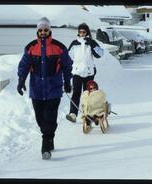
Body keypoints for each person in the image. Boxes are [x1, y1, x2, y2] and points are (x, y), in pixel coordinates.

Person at [17, 17, 73, 160]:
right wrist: (21, 80)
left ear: (49, 30)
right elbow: (24, 65)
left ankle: (45, 146)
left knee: (50, 116)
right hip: (36, 89)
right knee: (40, 118)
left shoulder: (59, 47)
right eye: (40, 30)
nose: (43, 32)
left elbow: (67, 66)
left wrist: (67, 82)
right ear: (38, 31)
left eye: (45, 30)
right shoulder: (30, 47)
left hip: (54, 88)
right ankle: (50, 138)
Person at [66, 23, 104, 123]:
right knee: (76, 94)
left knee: (89, 95)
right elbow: (68, 57)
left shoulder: (91, 42)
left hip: (89, 72)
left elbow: (100, 54)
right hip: (77, 72)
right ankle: (73, 114)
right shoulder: (74, 43)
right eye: (80, 31)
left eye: (83, 32)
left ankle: (90, 114)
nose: (81, 33)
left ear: (87, 32)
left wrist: (92, 44)